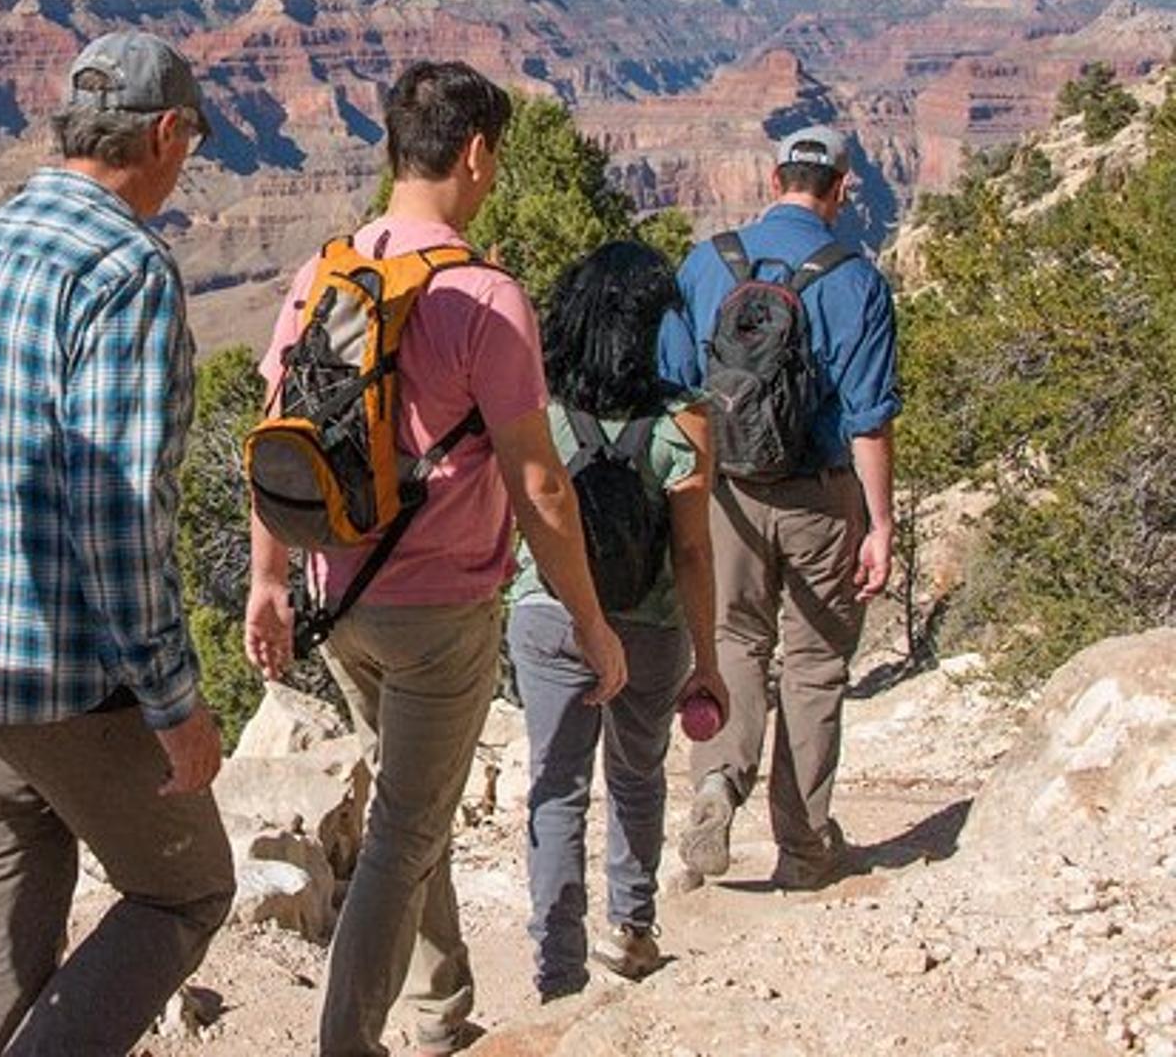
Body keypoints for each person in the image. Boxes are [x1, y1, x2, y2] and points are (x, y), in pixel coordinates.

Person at [246, 60, 628, 1057]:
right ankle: (349, 1042)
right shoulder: (484, 296)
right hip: (436, 618)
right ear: (472, 153)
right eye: (493, 154)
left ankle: (440, 1012)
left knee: (412, 811)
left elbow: (274, 432)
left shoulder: (321, 271)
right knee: (404, 834)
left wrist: (266, 581)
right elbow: (539, 483)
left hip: (336, 597)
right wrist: (589, 621)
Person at [0, 30, 234, 1057]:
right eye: (191, 145)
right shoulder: (125, 270)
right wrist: (174, 702)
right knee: (185, 891)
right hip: (63, 681)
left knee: (4, 942)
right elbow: (120, 512)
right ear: (166, 133)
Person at [659, 124, 901, 891]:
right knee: (815, 663)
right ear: (839, 189)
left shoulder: (707, 263)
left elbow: (671, 384)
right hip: (820, 498)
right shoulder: (856, 280)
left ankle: (715, 785)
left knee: (730, 642)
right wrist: (881, 521)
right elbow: (868, 417)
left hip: (725, 491)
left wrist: (682, 489)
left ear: (774, 180)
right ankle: (802, 848)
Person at [505, 241, 729, 999]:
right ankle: (632, 929)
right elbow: (694, 553)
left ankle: (557, 968)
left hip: (549, 616)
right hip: (652, 621)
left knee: (556, 788)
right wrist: (708, 659)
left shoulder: (536, 409)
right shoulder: (686, 419)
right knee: (637, 777)